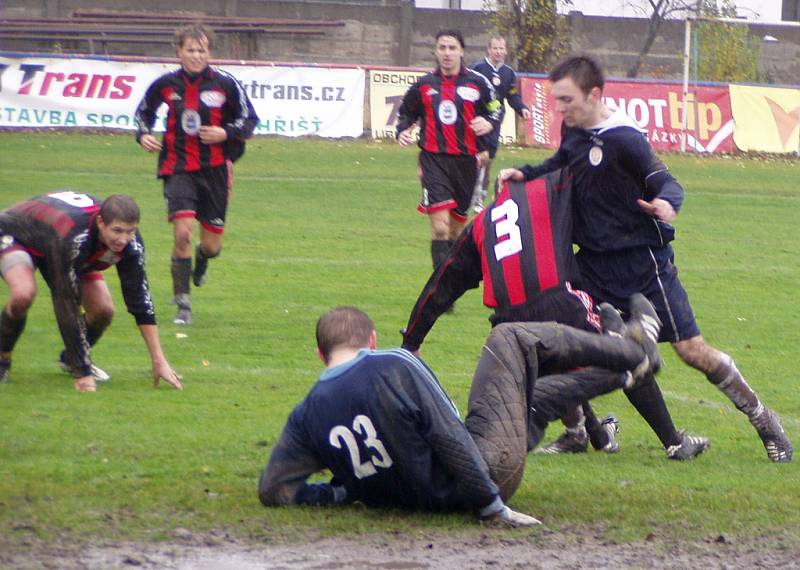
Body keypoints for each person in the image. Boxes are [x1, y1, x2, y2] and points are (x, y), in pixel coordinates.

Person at [499, 55, 791, 462]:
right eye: (557, 100)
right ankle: (581, 431)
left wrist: (666, 204)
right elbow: (561, 164)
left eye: (567, 99)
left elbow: (665, 181)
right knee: (573, 338)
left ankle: (763, 420)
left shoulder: (625, 138)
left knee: (691, 351)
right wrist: (526, 173)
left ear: (595, 94)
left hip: (643, 265)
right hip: (593, 266)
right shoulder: (574, 130)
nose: (560, 109)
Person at [259, 302, 660, 518]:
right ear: (373, 339)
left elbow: (275, 489)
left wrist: (342, 492)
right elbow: (448, 434)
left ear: (319, 353)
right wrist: (490, 503)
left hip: (429, 496)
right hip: (477, 479)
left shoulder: (306, 414)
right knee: (510, 337)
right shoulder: (393, 364)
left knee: (529, 402)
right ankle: (629, 347)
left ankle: (629, 372)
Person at [402, 175, 625, 455]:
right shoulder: (547, 190)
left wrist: (413, 338)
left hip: (508, 325)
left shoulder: (481, 223)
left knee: (550, 368)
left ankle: (583, 433)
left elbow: (443, 283)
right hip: (560, 305)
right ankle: (661, 430)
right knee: (621, 353)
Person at [134, 24, 258, 326]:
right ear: (179, 51)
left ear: (209, 52)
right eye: (190, 49)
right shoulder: (165, 84)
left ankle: (202, 258)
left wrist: (224, 132)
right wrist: (143, 134)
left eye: (201, 50)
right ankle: (183, 305)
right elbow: (143, 113)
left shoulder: (225, 84)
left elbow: (250, 120)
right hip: (177, 169)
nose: (195, 55)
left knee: (212, 246)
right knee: (182, 232)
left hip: (216, 170)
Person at [0, 191, 183, 393]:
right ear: (100, 223)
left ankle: (71, 360)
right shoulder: (74, 238)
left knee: (103, 309)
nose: (123, 239)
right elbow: (66, 302)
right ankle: (3, 356)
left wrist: (159, 361)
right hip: (14, 232)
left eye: (129, 231)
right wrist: (83, 374)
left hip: (58, 244)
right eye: (117, 231)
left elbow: (140, 300)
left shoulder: (132, 244)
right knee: (23, 294)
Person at [396, 29, 501, 273]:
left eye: (452, 48)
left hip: (466, 163)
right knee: (440, 228)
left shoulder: (477, 82)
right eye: (442, 47)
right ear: (435, 51)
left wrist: (489, 121)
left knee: (455, 230)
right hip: (433, 160)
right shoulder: (424, 85)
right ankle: (439, 289)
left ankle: (449, 279)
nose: (447, 53)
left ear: (462, 51)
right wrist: (403, 130)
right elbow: (406, 111)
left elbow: (495, 109)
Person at [469, 35, 532, 213]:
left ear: (505, 51)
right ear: (489, 50)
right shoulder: (477, 69)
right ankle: (470, 196)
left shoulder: (508, 73)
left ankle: (480, 197)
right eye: (494, 48)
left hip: (495, 122)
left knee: (487, 160)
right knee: (476, 159)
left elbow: (512, 96)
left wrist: (522, 109)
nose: (498, 52)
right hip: (476, 120)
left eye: (501, 48)